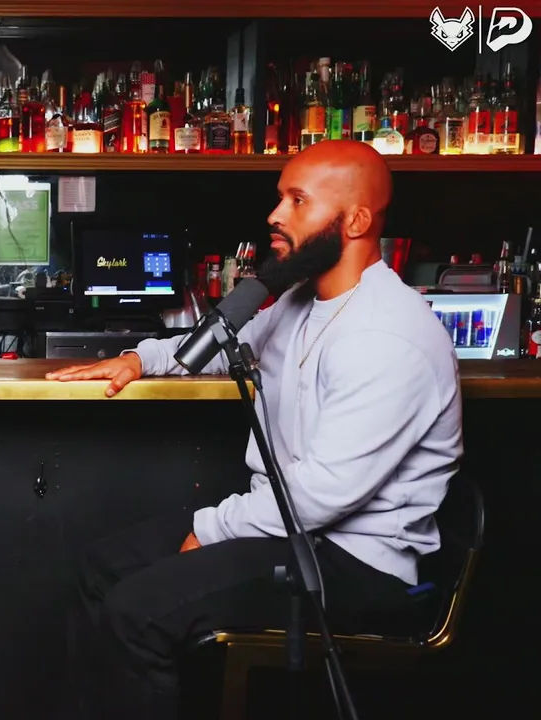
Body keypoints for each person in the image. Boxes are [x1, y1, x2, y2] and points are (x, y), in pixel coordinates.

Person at [46, 140, 463, 718]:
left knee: (136, 613)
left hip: (359, 565)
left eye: (297, 200)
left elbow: (320, 496)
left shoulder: (389, 336)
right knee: (99, 570)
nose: (275, 215)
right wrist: (141, 358)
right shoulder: (299, 302)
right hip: (290, 533)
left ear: (357, 221)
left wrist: (211, 531)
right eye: (279, 198)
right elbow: (226, 347)